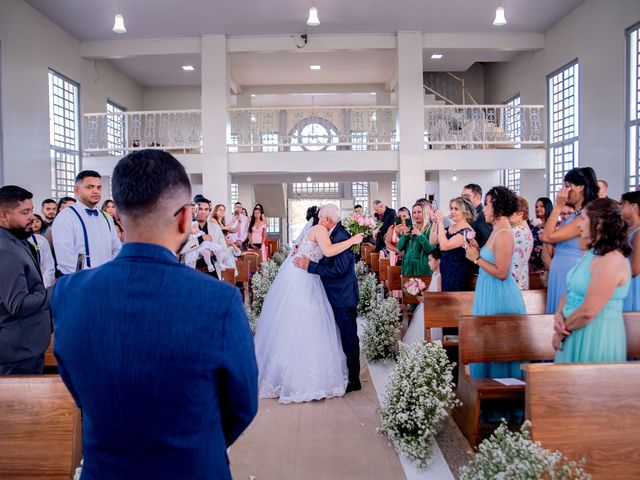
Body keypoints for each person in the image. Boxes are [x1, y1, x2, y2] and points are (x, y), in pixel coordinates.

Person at [51, 149, 258, 479]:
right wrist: (197, 442)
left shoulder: (68, 293)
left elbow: (79, 389)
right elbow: (243, 404)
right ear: (184, 218)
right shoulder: (218, 299)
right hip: (192, 468)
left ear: (117, 216)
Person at [255, 205, 364, 403]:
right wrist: (353, 241)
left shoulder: (334, 232)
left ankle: (353, 378)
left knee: (341, 333)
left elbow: (338, 265)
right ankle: (302, 377)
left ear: (328, 219)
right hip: (308, 282)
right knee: (309, 325)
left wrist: (349, 242)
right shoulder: (323, 230)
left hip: (337, 291)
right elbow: (329, 252)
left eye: (323, 217)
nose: (320, 220)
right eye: (320, 217)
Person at [464, 186, 526, 422]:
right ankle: (489, 406)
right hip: (489, 291)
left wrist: (476, 259)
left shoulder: (505, 233)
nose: (483, 210)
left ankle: (500, 409)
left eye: (487, 204)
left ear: (497, 207)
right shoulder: (496, 230)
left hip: (500, 295)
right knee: (487, 347)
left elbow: (501, 272)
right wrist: (477, 251)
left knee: (498, 350)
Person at [553, 198, 630, 363]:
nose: (578, 225)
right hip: (573, 329)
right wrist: (559, 314)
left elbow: (589, 310)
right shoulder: (591, 254)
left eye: (582, 219)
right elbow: (571, 289)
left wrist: (561, 331)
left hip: (596, 333)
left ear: (598, 224)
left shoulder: (611, 259)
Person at [0, 185, 51, 374]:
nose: (32, 216)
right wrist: (55, 292)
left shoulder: (17, 240)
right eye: (25, 212)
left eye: (31, 210)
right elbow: (18, 304)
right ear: (3, 216)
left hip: (27, 345)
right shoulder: (5, 250)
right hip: (17, 352)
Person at [542, 167, 599, 313]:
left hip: (570, 270)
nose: (564, 191)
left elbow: (547, 237)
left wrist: (557, 206)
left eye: (567, 186)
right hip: (562, 268)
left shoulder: (584, 216)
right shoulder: (576, 215)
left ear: (580, 188)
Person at [52, 171, 121, 275]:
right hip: (79, 281)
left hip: (106, 277)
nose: (96, 191)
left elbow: (116, 248)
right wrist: (92, 276)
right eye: (90, 187)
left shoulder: (106, 217)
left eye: (99, 187)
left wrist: (110, 271)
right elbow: (66, 259)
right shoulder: (65, 217)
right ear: (76, 190)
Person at [430, 197, 476, 291]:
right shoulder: (451, 227)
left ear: (465, 211)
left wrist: (441, 223)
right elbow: (433, 241)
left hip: (458, 273)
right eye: (451, 208)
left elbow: (444, 246)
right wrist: (435, 223)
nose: (452, 211)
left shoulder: (467, 231)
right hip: (445, 271)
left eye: (456, 209)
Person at [402, 248, 443, 345]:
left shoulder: (439, 277)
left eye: (430, 260)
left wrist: (427, 300)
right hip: (427, 304)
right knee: (419, 326)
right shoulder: (434, 274)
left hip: (433, 307)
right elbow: (429, 290)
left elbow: (438, 295)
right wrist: (419, 293)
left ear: (438, 261)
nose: (428, 263)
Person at [396, 202, 435, 275]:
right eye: (414, 212)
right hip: (407, 268)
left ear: (424, 213)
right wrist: (404, 236)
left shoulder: (430, 229)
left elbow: (431, 249)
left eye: (419, 212)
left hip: (422, 268)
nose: (416, 214)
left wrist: (420, 235)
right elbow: (399, 248)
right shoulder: (410, 228)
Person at [621, 191, 640, 312]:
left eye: (623, 204)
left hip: (632, 282)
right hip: (624, 280)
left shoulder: (638, 232)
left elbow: (635, 269)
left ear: (634, 206)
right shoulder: (626, 229)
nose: (620, 207)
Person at [510, 196, 534, 290]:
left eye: (510, 212)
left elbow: (516, 264)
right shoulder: (517, 229)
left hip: (515, 282)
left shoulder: (519, 231)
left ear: (520, 214)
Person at [462, 184, 492, 248]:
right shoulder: (470, 213)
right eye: (462, 196)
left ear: (477, 197)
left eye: (466, 196)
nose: (462, 199)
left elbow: (486, 242)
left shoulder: (483, 216)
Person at [529, 197, 553, 274]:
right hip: (533, 262)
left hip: (549, 261)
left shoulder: (555, 224)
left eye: (541, 206)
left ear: (548, 207)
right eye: (536, 206)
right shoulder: (531, 223)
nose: (538, 208)